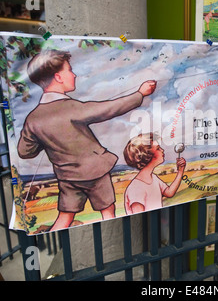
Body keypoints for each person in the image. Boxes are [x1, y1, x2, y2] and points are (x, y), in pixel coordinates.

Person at [17, 49, 157, 231]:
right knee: (108, 212)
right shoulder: (72, 108)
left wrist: (47, 139)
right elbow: (109, 108)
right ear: (58, 77)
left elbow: (25, 151)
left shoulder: (33, 118)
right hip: (95, 172)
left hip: (67, 177)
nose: (74, 75)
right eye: (70, 70)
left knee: (65, 217)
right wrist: (140, 94)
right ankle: (114, 247)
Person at [123, 133, 186, 214]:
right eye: (158, 148)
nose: (162, 150)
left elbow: (169, 192)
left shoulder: (153, 178)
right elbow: (139, 218)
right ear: (147, 156)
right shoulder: (136, 188)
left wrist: (180, 171)